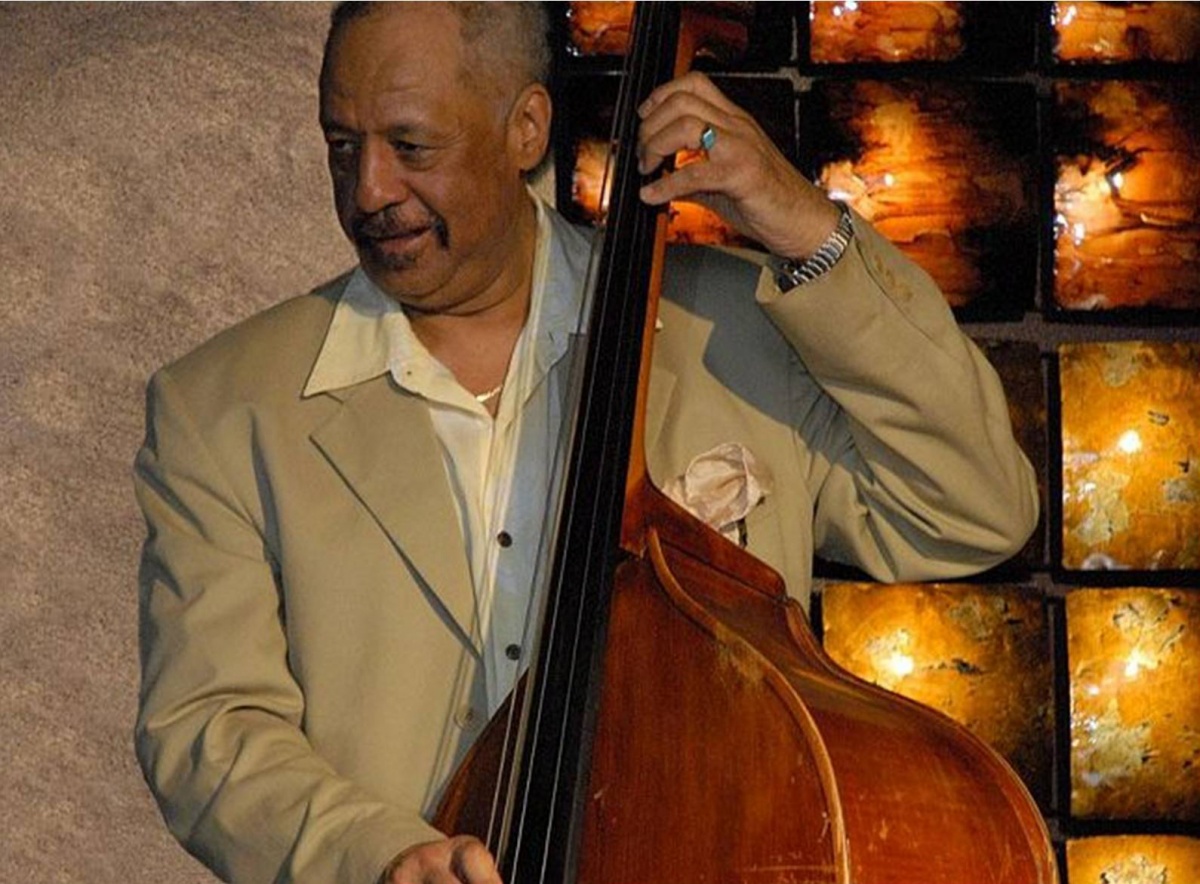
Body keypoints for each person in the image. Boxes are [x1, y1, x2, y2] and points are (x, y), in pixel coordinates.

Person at [133, 4, 1038, 884]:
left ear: (525, 127)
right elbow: (208, 728)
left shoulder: (738, 328)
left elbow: (971, 511)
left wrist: (806, 228)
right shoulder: (222, 406)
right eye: (343, 146)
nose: (369, 190)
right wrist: (376, 855)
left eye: (411, 146)